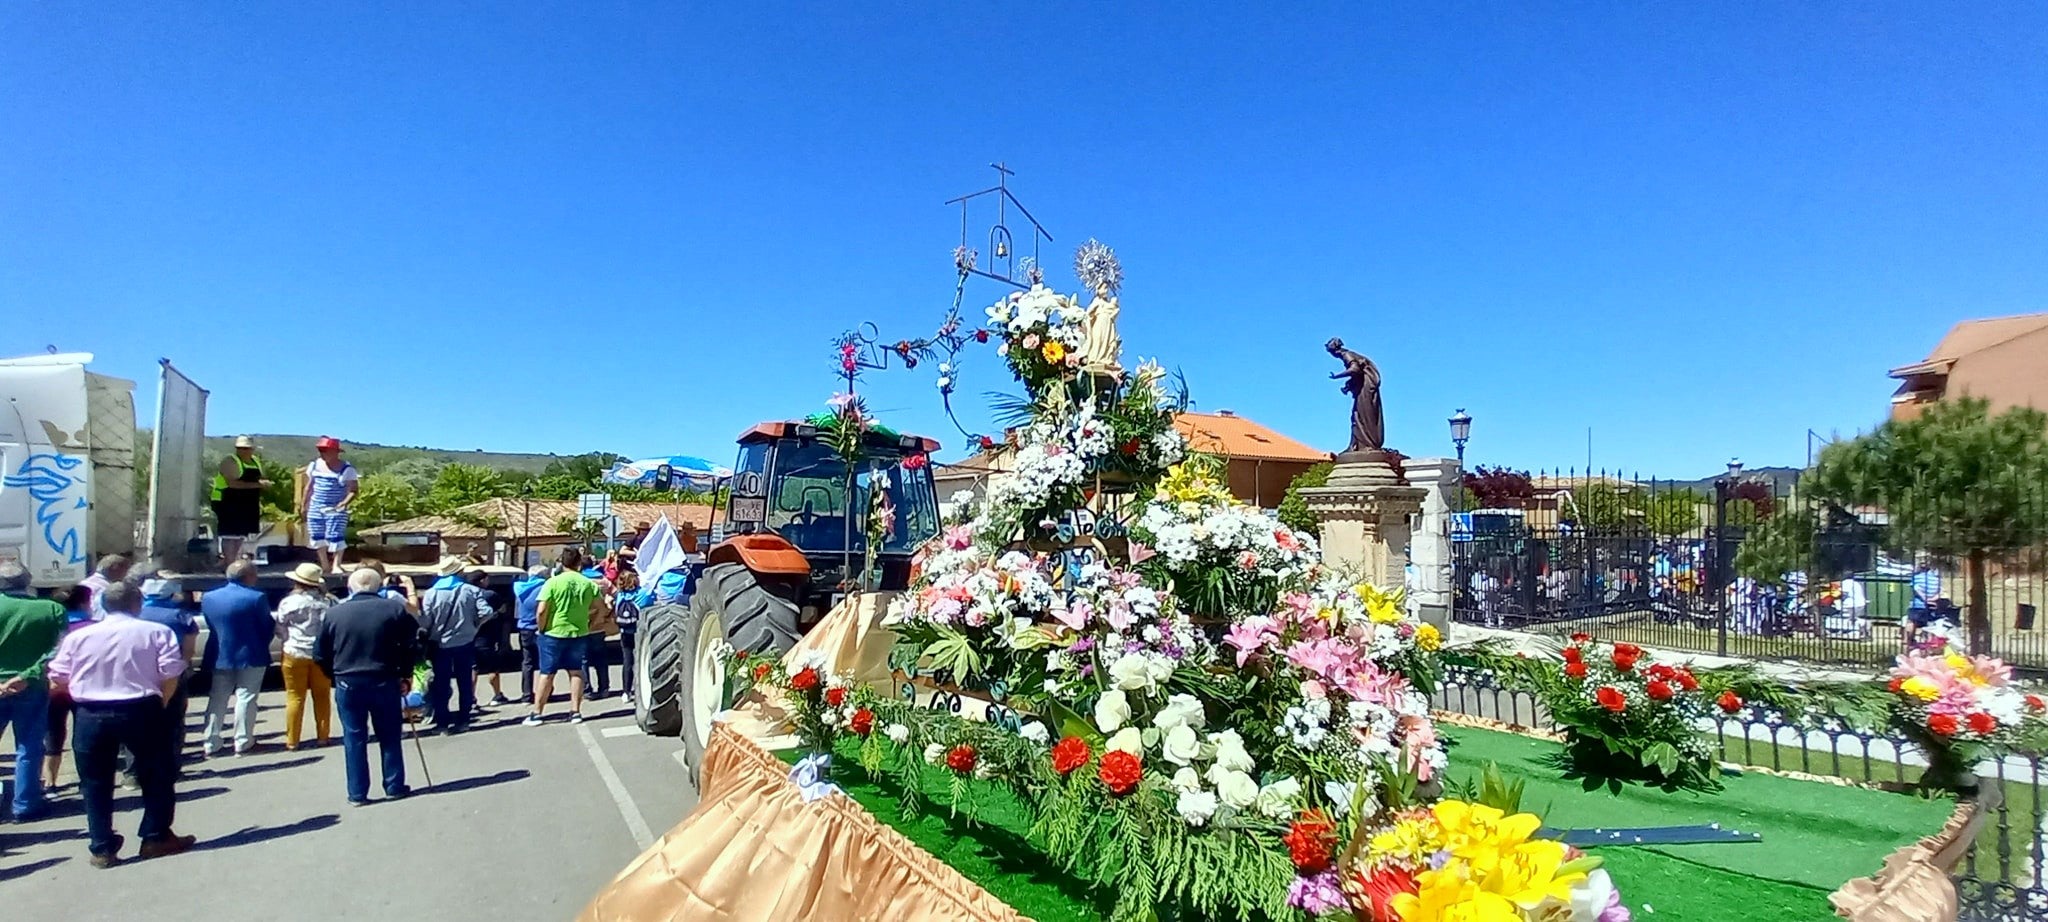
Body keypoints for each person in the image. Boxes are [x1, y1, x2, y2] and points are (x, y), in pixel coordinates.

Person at [45, 581, 193, 868]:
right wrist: (161, 703)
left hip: (90, 712)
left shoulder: (78, 637)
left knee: (95, 781)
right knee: (157, 774)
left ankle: (102, 846)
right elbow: (171, 672)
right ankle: (155, 835)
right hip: (141, 707)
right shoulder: (156, 632)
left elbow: (58, 677)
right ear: (137, 604)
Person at [316, 568, 420, 805]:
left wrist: (334, 677)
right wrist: (405, 675)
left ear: (351, 587)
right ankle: (394, 785)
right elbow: (411, 644)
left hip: (348, 681)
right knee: (390, 735)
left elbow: (320, 653)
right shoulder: (394, 609)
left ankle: (357, 793)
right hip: (384, 678)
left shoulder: (334, 613)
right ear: (377, 587)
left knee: (354, 737)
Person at [0, 561, 66, 822]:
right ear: (27, 580)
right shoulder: (52, 609)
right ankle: (25, 804)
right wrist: (27, 675)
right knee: (28, 745)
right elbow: (59, 651)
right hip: (32, 686)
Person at [199, 560, 276, 757]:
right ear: (249, 577)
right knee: (247, 697)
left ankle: (211, 741)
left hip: (219, 653)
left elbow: (210, 623)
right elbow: (266, 626)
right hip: (251, 653)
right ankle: (242, 741)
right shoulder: (257, 597)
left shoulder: (209, 597)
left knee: (217, 698)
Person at [526, 547, 606, 726]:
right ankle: (575, 711)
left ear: (562, 562)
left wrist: (542, 628)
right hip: (578, 631)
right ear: (579, 563)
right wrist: (591, 623)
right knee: (576, 671)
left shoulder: (552, 583)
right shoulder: (588, 583)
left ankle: (537, 712)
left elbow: (541, 610)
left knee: (547, 673)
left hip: (553, 632)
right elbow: (601, 607)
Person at [419, 556, 489, 734]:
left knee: (441, 684)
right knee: (464, 682)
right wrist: (475, 626)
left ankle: (442, 723)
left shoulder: (431, 593)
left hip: (440, 644)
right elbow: (486, 612)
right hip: (465, 642)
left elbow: (426, 621)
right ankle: (464, 720)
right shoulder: (471, 590)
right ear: (460, 572)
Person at [137, 577, 200, 772]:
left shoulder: (136, 613)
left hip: (139, 672)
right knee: (174, 719)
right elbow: (189, 649)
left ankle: (134, 771)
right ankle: (172, 766)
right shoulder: (180, 615)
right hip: (173, 672)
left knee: (139, 721)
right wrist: (184, 666)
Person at [274, 563, 334, 750]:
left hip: (294, 651)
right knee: (322, 696)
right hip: (320, 653)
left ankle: (292, 740)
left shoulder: (289, 602)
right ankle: (323, 736)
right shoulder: (328, 603)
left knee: (295, 697)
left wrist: (286, 638)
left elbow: (280, 626)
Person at [42, 587, 95, 792]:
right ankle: (86, 780)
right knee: (84, 739)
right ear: (84, 603)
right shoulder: (94, 627)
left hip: (54, 687)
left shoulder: (50, 627)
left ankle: (50, 781)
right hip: (85, 688)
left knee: (53, 734)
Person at [301, 436, 360, 574]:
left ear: (335, 451)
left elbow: (354, 490)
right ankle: (325, 564)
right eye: (320, 450)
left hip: (335, 507)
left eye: (325, 450)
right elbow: (309, 487)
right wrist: (304, 505)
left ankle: (337, 565)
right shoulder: (314, 465)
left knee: (335, 534)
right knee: (317, 534)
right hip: (316, 506)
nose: (322, 453)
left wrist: (344, 503)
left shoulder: (347, 469)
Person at [209, 436, 270, 563]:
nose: (244, 451)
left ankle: (233, 561)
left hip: (247, 503)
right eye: (241, 448)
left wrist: (263, 483)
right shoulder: (230, 461)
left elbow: (257, 478)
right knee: (230, 534)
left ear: (252, 449)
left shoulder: (255, 461)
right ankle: (229, 563)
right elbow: (232, 483)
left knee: (241, 534)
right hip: (228, 501)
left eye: (246, 448)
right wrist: (258, 485)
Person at [467, 567, 513, 708]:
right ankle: (497, 695)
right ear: (482, 580)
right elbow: (503, 609)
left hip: (470, 636)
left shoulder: (466, 594)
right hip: (487, 637)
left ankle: (471, 698)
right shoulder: (490, 595)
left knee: (473, 668)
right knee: (492, 668)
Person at [512, 565, 547, 701]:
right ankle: (543, 692)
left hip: (524, 627)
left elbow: (517, 610)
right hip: (540, 627)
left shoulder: (519, 588)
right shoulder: (544, 587)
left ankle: (526, 694)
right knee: (544, 662)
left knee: (527, 662)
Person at [613, 570, 642, 707]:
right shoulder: (641, 594)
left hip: (625, 632)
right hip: (638, 631)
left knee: (627, 662)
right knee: (640, 662)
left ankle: (626, 691)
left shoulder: (620, 596)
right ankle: (640, 689)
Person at [79, 554, 134, 621]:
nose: (126, 575)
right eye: (126, 570)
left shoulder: (82, 583)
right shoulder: (108, 589)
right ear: (115, 568)